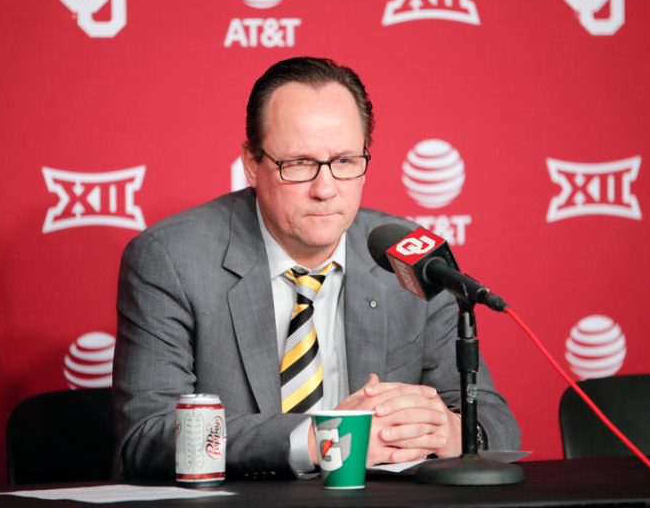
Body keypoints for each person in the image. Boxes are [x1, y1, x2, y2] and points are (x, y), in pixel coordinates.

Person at [113, 57, 520, 480]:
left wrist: (449, 432)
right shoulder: (173, 259)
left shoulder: (408, 257)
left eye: (344, 161)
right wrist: (319, 438)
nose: (325, 189)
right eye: (299, 164)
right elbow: (147, 437)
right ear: (252, 163)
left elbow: (497, 424)